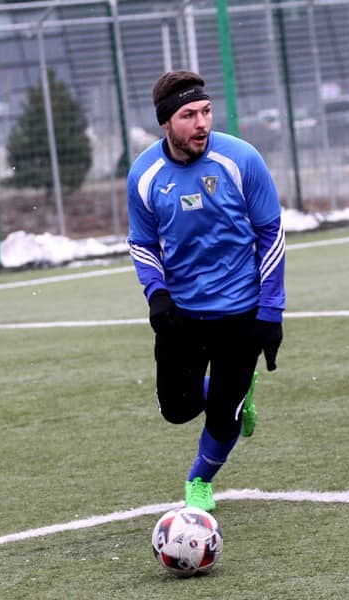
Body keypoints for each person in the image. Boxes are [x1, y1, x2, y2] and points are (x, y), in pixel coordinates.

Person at [127, 70, 285, 510]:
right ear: (166, 123)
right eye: (188, 115)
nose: (201, 123)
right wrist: (157, 295)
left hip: (241, 311)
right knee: (176, 409)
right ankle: (229, 390)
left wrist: (271, 311)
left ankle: (199, 479)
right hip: (182, 313)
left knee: (223, 413)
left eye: (206, 111)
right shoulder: (144, 175)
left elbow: (271, 233)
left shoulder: (241, 159)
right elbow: (141, 243)